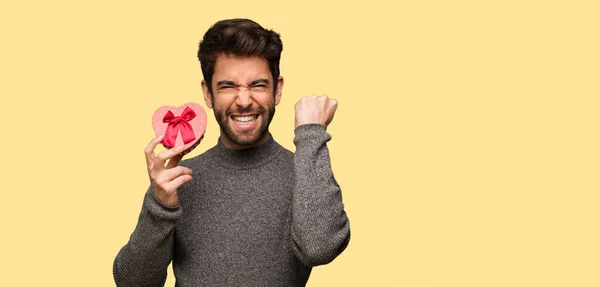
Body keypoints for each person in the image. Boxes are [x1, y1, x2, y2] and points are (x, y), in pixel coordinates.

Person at [113, 18, 350, 286]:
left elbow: (320, 248)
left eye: (258, 85)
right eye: (228, 86)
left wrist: (311, 134)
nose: (244, 100)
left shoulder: (305, 172)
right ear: (208, 93)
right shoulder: (178, 181)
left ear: (278, 89)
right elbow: (133, 282)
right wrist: (159, 206)